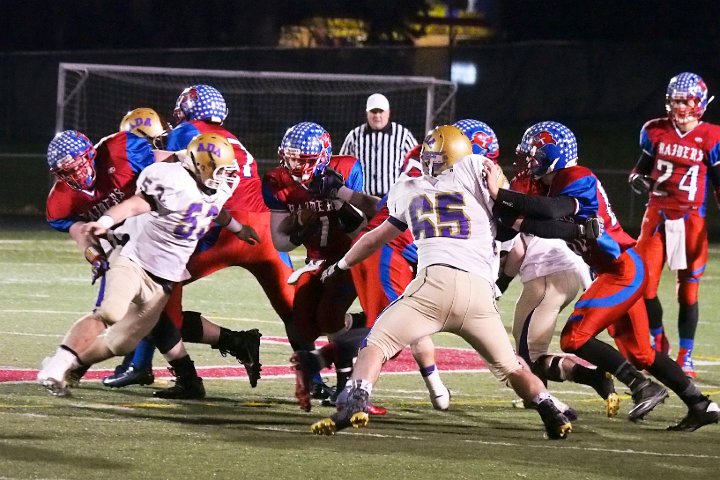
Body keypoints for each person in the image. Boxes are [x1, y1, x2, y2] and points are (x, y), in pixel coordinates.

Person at [313, 125, 573, 440]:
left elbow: (374, 238)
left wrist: (340, 265)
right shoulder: (476, 169)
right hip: (479, 293)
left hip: (432, 287)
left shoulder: (408, 188)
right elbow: (512, 218)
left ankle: (356, 400)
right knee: (512, 368)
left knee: (376, 345)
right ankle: (549, 409)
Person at [485, 120, 719, 432]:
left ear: (554, 155)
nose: (528, 161)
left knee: (574, 337)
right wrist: (504, 208)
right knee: (642, 353)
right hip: (614, 270)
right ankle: (700, 404)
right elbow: (540, 226)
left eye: (534, 155)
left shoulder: (575, 176)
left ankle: (640, 385)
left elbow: (552, 213)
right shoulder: (548, 185)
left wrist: (501, 195)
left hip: (622, 269)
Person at [37, 133, 259, 397]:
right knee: (110, 311)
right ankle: (59, 367)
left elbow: (212, 207)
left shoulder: (217, 184)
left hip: (166, 275)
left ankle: (75, 366)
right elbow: (132, 207)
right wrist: (100, 237)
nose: (78, 173)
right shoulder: (171, 180)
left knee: (122, 343)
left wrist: (238, 228)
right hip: (130, 251)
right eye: (69, 171)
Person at [263, 121, 377, 404]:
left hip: (350, 257)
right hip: (316, 260)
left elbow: (364, 225)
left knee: (329, 316)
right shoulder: (277, 181)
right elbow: (281, 242)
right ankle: (361, 323)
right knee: (303, 324)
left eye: (304, 160)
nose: (295, 166)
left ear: (323, 157)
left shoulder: (346, 169)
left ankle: (345, 383)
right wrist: (299, 225)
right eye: (291, 158)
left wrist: (340, 199)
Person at [629, 72, 720, 378]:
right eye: (677, 101)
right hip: (656, 215)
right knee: (644, 285)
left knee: (688, 292)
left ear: (699, 103)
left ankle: (686, 355)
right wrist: (638, 180)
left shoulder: (712, 136)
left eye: (687, 101)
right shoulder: (654, 130)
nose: (681, 107)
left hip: (691, 218)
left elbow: (718, 183)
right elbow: (639, 170)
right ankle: (658, 340)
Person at [338, 93, 418, 197]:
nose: (377, 115)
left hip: (393, 199)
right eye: (373, 111)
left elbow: (418, 163)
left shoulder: (403, 135)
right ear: (367, 113)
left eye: (381, 111)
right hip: (362, 199)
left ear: (388, 113)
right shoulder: (354, 136)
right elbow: (342, 166)